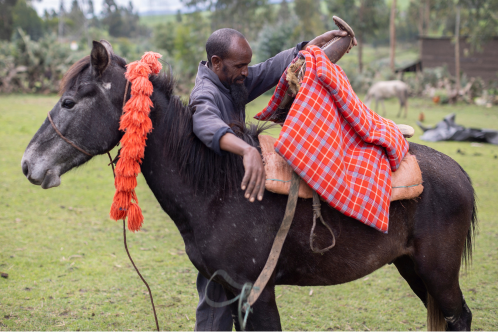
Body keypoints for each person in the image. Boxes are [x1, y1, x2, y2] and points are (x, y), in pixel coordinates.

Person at [189, 28, 356, 331]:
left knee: (232, 284)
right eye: (240, 66)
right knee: (215, 288)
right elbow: (203, 121)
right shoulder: (206, 93)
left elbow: (268, 70)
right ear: (216, 62)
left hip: (232, 206)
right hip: (214, 210)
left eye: (246, 65)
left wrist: (305, 50)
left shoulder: (232, 79)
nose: (246, 72)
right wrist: (245, 150)